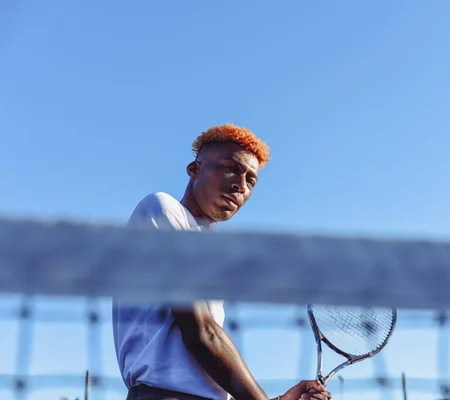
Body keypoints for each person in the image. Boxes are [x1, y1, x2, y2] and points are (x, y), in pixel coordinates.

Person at [112, 123, 332, 400]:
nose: (240, 186)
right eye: (230, 168)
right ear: (194, 170)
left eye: (250, 180)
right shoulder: (161, 208)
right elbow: (201, 332)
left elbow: (202, 365)